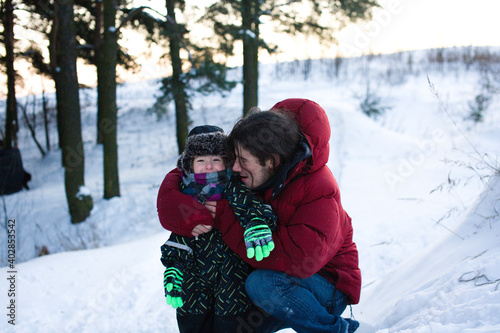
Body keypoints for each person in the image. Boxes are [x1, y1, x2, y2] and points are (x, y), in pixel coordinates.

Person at [158, 98, 361, 333]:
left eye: (242, 161)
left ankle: (336, 330)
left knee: (262, 285)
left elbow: (294, 262)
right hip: (279, 280)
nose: (234, 168)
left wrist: (223, 216)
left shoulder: (319, 189)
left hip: (323, 287)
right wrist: (173, 199)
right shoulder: (261, 169)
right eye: (234, 159)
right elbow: (192, 171)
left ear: (272, 161)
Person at [159, 125, 277, 333]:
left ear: (226, 162)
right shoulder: (185, 196)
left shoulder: (234, 188)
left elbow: (254, 207)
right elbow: (180, 235)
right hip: (194, 277)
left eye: (215, 160)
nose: (209, 166)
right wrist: (174, 265)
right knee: (194, 322)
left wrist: (257, 223)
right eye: (201, 160)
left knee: (231, 325)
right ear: (190, 165)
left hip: (231, 275)